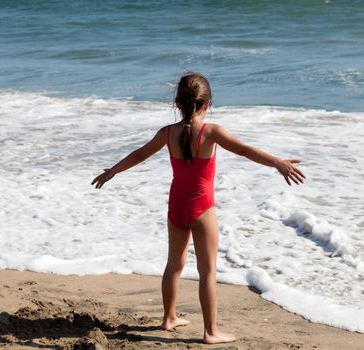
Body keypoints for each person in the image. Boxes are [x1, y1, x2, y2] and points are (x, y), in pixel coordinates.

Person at [91, 72, 305, 344]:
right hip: (202, 208)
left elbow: (140, 154)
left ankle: (168, 318)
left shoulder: (168, 132)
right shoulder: (211, 132)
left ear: (178, 103)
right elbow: (244, 150)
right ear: (207, 104)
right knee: (207, 272)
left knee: (174, 265)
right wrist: (278, 162)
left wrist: (113, 171)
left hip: (176, 206)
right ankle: (211, 331)